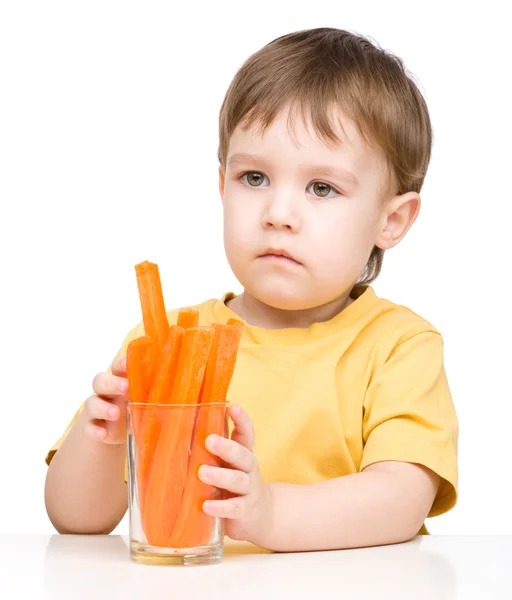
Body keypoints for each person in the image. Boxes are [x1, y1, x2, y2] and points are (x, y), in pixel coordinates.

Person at [44, 27, 458, 552]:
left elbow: (401, 500)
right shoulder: (165, 340)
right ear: (223, 187)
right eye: (255, 178)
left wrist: (270, 513)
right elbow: (74, 520)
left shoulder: (400, 346)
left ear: (392, 220)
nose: (279, 215)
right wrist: (101, 436)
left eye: (322, 188)